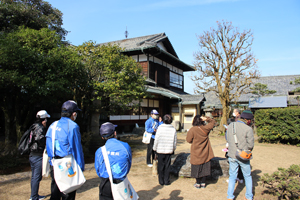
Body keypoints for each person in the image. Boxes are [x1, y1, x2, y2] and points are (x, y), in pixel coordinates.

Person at [46, 100, 84, 200]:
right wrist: (80, 167)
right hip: (68, 164)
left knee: (55, 192)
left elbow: (48, 146)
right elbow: (76, 148)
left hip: (54, 163)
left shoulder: (52, 125)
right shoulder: (72, 126)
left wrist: (51, 161)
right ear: (74, 113)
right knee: (68, 194)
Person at [95, 122, 132, 200]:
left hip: (105, 184)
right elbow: (128, 164)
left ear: (102, 137)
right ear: (115, 133)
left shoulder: (99, 151)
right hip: (121, 182)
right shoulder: (125, 146)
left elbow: (98, 171)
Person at [226, 110, 254, 200]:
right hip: (243, 155)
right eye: (250, 120)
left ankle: (230, 196)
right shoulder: (248, 129)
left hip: (231, 154)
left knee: (232, 176)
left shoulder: (230, 125)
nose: (250, 121)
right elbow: (250, 145)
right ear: (247, 119)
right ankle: (249, 196)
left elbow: (227, 138)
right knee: (247, 176)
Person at [186, 115, 215, 189]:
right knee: (205, 166)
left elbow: (188, 140)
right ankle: (203, 182)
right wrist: (207, 118)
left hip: (196, 151)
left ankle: (198, 183)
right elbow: (213, 122)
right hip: (205, 150)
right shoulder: (206, 128)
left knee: (196, 167)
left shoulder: (192, 129)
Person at [29, 110, 50, 200]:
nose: (46, 121)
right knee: (36, 177)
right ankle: (33, 197)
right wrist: (46, 142)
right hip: (37, 155)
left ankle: (34, 195)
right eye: (45, 119)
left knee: (34, 176)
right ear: (43, 119)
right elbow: (39, 139)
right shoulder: (40, 127)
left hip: (32, 154)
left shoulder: (33, 126)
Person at [153, 114, 177, 186]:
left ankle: (161, 181)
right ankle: (166, 180)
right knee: (167, 166)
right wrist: (173, 149)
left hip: (160, 150)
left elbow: (156, 139)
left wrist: (155, 148)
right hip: (169, 150)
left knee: (160, 165)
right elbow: (174, 141)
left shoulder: (160, 128)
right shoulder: (173, 129)